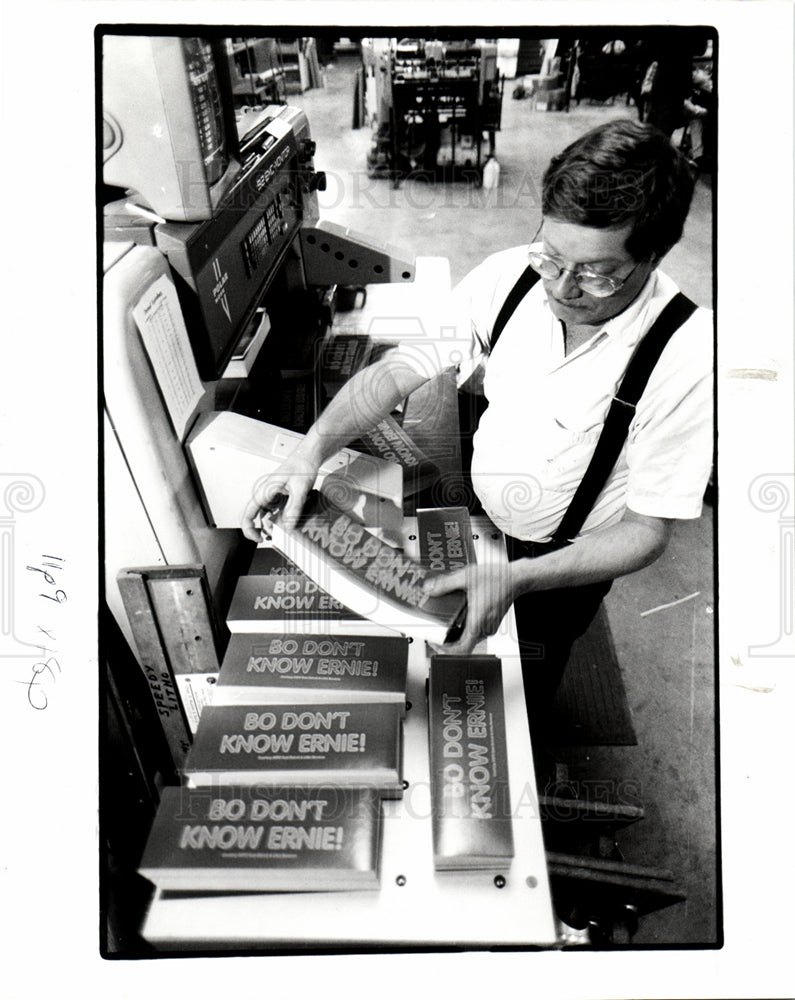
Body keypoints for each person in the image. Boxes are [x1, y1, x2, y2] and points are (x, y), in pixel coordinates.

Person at [242, 118, 713, 733]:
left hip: (565, 563)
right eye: (553, 256)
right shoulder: (512, 276)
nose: (563, 289)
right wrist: (309, 452)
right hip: (483, 521)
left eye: (596, 273)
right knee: (445, 653)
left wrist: (518, 579)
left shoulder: (684, 353)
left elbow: (648, 529)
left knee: (521, 690)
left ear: (651, 257)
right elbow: (399, 371)